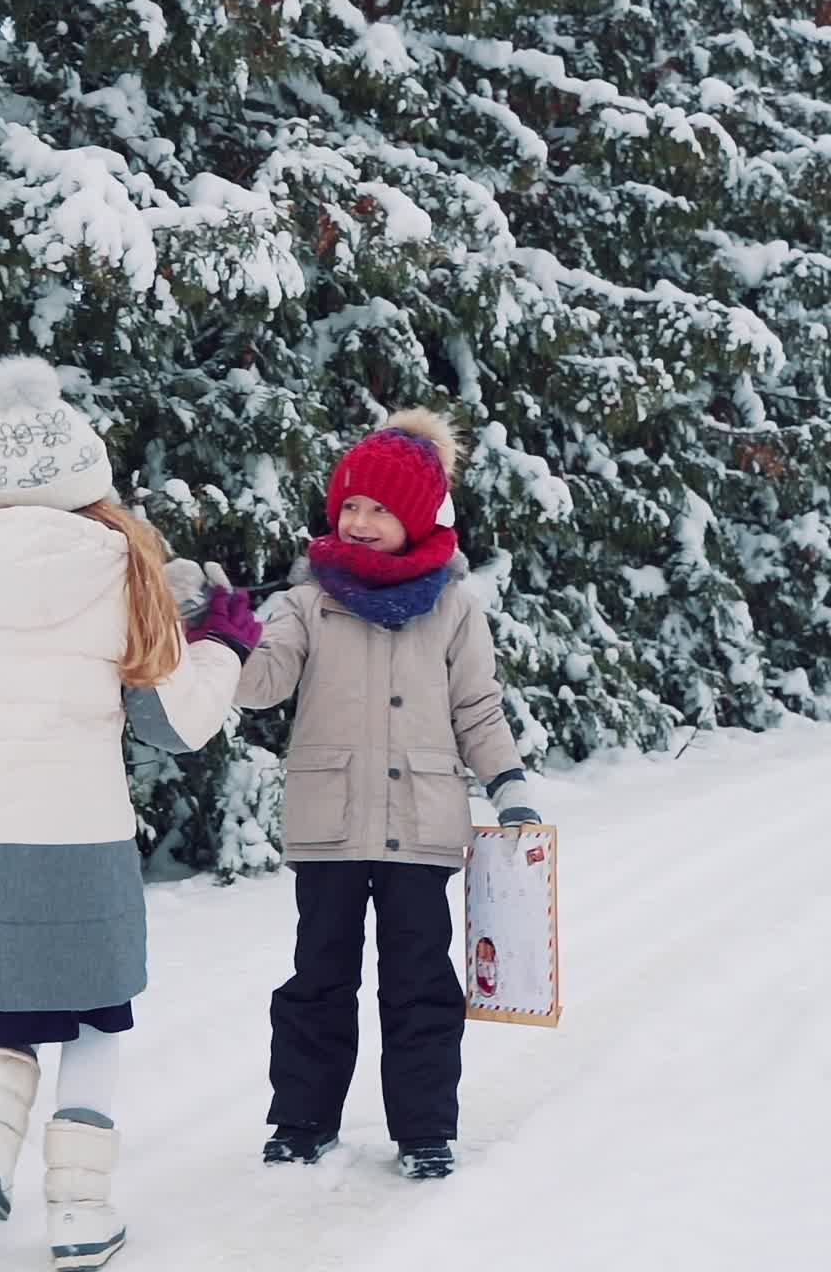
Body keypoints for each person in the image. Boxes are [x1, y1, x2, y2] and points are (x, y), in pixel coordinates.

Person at [0, 355, 257, 1271]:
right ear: (91, 485)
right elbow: (174, 726)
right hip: (80, 842)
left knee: (8, 1019)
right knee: (99, 1021)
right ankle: (78, 1210)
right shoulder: (124, 581)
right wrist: (223, 646)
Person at [228, 408, 541, 1180]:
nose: (361, 521)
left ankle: (426, 1129)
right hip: (329, 823)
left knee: (420, 983)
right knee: (319, 979)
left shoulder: (453, 608)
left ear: (417, 516)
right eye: (350, 507)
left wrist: (510, 787)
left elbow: (477, 707)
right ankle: (303, 1121)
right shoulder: (307, 603)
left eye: (380, 508)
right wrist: (222, 632)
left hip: (424, 822)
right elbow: (261, 688)